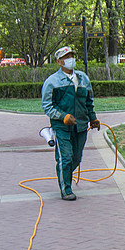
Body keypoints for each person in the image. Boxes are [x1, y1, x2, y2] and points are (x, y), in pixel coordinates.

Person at [41, 46, 100, 201]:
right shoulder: (52, 82)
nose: (70, 59)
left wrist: (93, 118)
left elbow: (89, 101)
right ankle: (66, 189)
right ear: (59, 61)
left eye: (72, 56)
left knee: (76, 158)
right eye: (67, 57)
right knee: (65, 158)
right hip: (61, 127)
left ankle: (64, 174)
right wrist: (62, 116)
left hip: (80, 125)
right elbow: (47, 106)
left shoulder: (83, 78)